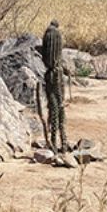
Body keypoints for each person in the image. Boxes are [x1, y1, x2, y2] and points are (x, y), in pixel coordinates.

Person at [41, 19, 67, 151]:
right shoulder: (57, 35)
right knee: (59, 104)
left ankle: (56, 141)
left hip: (52, 74)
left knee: (55, 105)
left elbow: (45, 53)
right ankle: (62, 142)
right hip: (57, 73)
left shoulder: (49, 34)